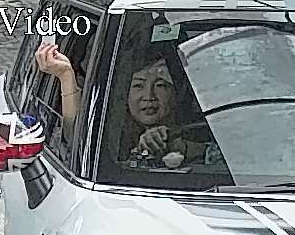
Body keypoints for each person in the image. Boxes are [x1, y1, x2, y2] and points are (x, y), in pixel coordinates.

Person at [34, 37, 222, 173]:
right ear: (125, 92)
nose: (149, 96)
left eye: (161, 85)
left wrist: (182, 146)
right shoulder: (106, 135)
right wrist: (66, 76)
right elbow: (75, 139)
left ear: (177, 92)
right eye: (138, 85)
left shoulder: (210, 129)